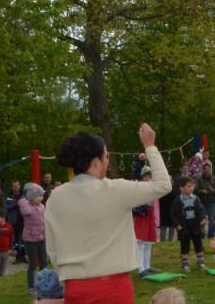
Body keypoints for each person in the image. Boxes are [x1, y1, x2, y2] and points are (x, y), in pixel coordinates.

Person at [45, 123, 171, 303]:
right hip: (113, 287)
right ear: (95, 162)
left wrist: (65, 277)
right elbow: (163, 185)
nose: (108, 161)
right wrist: (150, 146)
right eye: (106, 156)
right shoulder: (116, 189)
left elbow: (52, 247)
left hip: (75, 287)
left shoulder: (56, 196)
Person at [171, 176, 208, 272]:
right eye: (189, 186)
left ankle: (201, 262)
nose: (191, 188)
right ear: (181, 188)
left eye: (192, 186)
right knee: (185, 244)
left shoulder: (196, 199)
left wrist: (203, 218)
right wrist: (177, 224)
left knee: (198, 243)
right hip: (183, 226)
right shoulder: (177, 200)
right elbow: (173, 214)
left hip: (195, 224)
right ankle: (185, 263)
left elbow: (201, 210)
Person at [20, 183, 48, 294]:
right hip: (30, 240)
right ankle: (31, 287)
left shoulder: (42, 207)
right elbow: (26, 211)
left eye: (42, 196)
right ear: (32, 196)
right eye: (39, 196)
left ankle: (43, 284)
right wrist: (26, 197)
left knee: (44, 262)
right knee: (33, 264)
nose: (42, 198)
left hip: (41, 239)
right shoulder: (26, 207)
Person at [133, 166, 160, 277]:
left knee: (148, 242)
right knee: (141, 242)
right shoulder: (139, 186)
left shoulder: (154, 187)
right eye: (146, 176)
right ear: (142, 177)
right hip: (142, 215)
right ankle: (141, 269)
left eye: (150, 176)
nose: (148, 178)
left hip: (150, 214)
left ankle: (147, 266)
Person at [196, 161, 215, 238]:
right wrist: (202, 191)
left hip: (211, 202)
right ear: (203, 170)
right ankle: (202, 234)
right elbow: (196, 190)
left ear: (210, 169)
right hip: (202, 202)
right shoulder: (199, 179)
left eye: (208, 168)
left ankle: (211, 234)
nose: (206, 170)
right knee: (202, 218)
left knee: (211, 219)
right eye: (205, 169)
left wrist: (212, 190)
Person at [3, 180, 26, 263]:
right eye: (14, 186)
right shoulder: (9, 196)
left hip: (23, 220)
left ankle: (23, 257)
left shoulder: (24, 195)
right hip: (13, 221)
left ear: (19, 186)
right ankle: (17, 257)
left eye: (17, 185)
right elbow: (7, 206)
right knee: (15, 239)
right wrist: (17, 203)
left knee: (23, 239)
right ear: (12, 187)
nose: (16, 187)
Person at [158, 174, 179, 243]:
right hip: (163, 211)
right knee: (163, 227)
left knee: (172, 226)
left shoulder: (174, 191)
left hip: (172, 212)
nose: (169, 182)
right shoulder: (162, 191)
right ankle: (162, 241)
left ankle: (170, 241)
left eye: (170, 180)